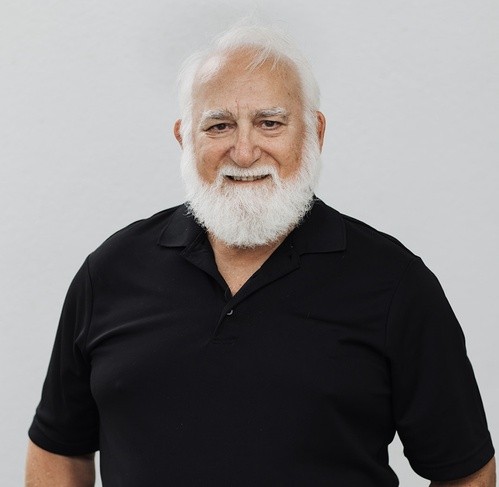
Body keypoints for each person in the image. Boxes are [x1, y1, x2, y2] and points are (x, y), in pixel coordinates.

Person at [26, 22, 495, 487]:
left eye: (270, 123)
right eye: (219, 126)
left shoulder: (395, 285)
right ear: (184, 138)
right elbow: (58, 448)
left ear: (314, 132)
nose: (245, 152)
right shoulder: (111, 271)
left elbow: (467, 472)